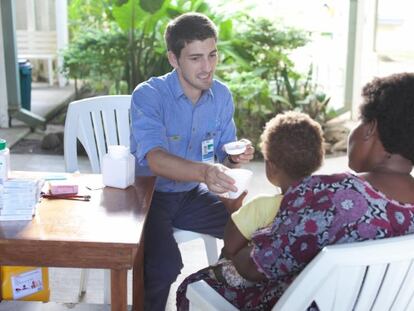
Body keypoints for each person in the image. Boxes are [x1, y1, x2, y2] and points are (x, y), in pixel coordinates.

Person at [177, 72, 414, 310]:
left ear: (370, 128)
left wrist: (239, 236)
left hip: (299, 302)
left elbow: (254, 267)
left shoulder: (331, 194)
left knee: (197, 284)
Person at [129, 12, 254, 310]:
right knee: (163, 266)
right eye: (196, 58)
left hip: (191, 195)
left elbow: (224, 156)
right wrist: (205, 171)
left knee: (252, 233)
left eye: (212, 55)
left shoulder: (221, 95)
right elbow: (155, 159)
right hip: (148, 196)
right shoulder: (149, 95)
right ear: (174, 59)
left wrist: (236, 157)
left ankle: (227, 292)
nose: (207, 67)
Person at [221, 111, 324, 273]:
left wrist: (234, 208)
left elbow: (230, 247)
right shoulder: (323, 200)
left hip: (260, 286)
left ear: (271, 166)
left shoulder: (261, 206)